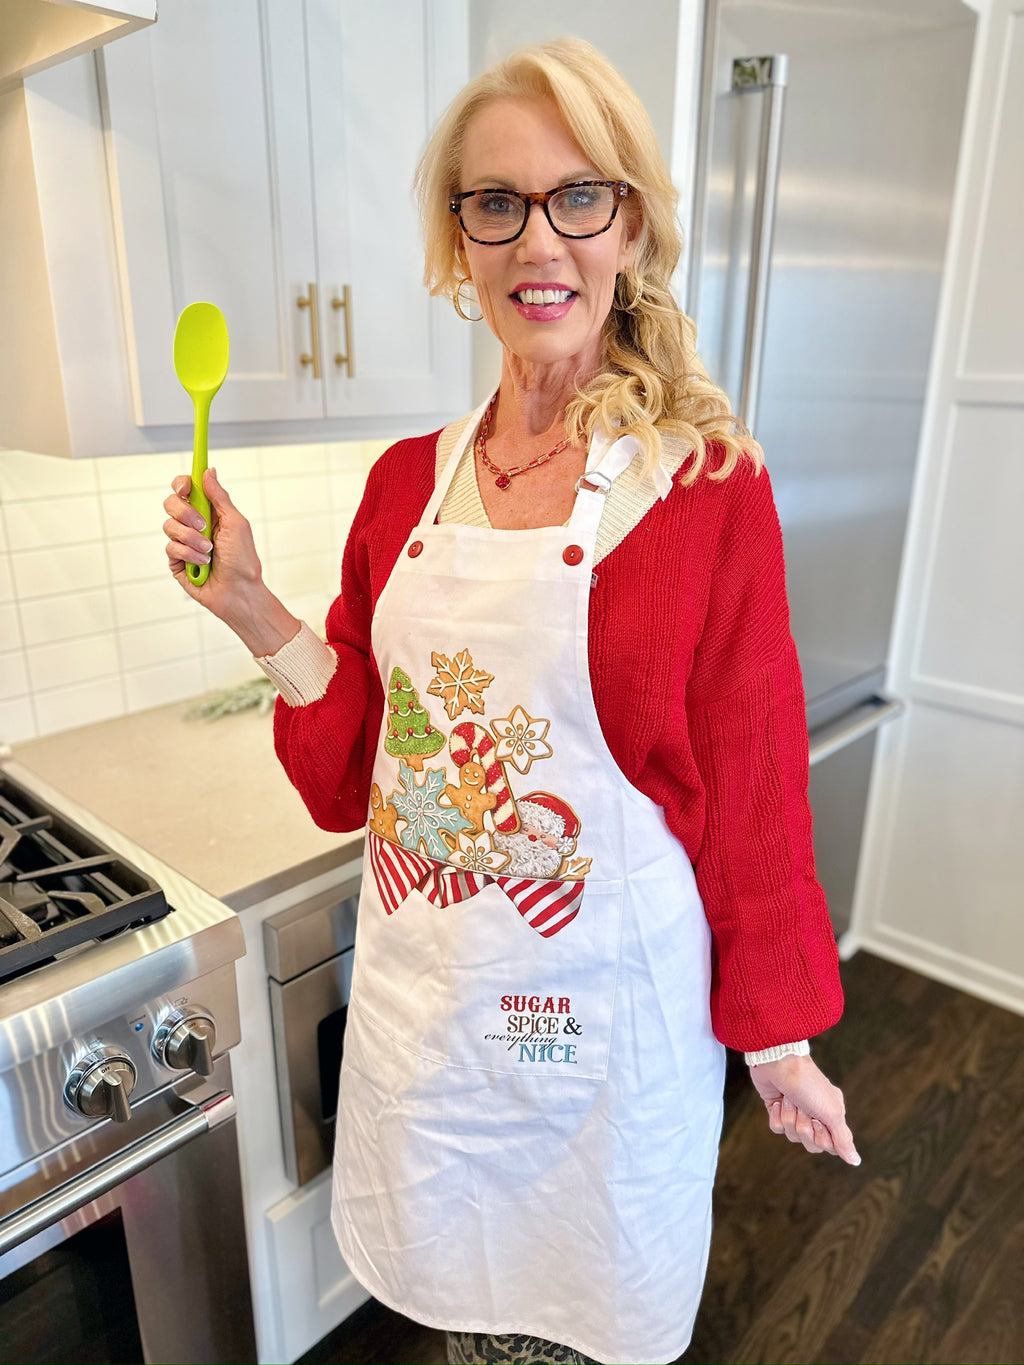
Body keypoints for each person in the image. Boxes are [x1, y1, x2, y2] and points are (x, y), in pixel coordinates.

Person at [163, 37, 859, 1365]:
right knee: (468, 1332)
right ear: (458, 240)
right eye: (497, 202)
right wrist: (250, 603)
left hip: (604, 1041)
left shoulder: (703, 484)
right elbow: (353, 766)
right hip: (438, 1039)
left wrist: (776, 1037)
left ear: (629, 220)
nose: (538, 240)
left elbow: (756, 784)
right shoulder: (401, 486)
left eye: (576, 196)